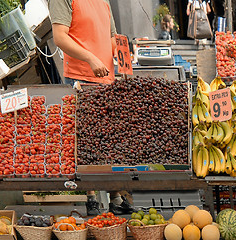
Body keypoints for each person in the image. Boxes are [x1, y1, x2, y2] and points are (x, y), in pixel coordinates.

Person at [48, 0, 135, 215]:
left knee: (109, 141)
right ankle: (91, 197)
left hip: (107, 77)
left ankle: (115, 197)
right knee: (86, 141)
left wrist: (122, 57)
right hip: (80, 78)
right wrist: (90, 58)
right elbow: (60, 37)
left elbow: (111, 37)